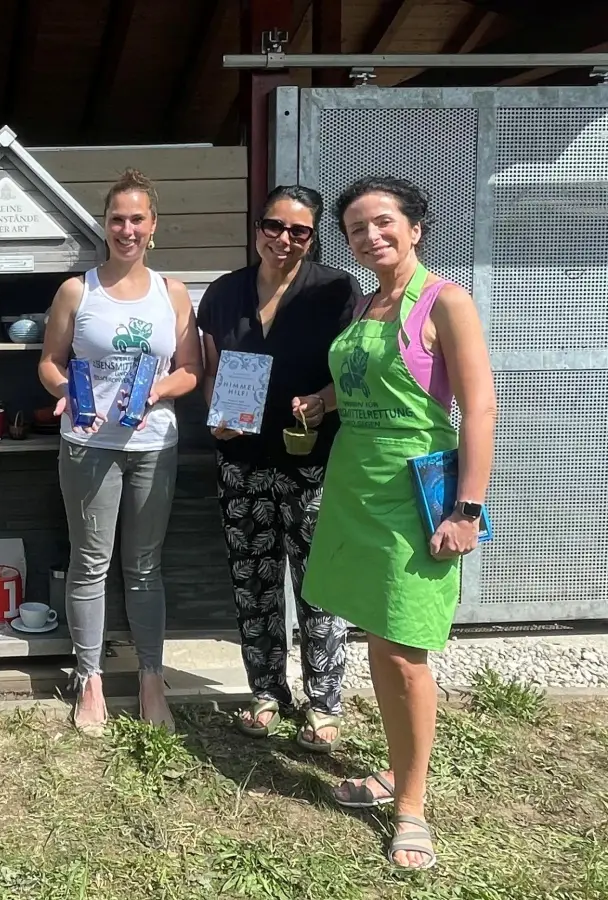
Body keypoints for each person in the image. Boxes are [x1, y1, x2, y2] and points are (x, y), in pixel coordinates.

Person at [304, 176, 496, 871]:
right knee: (380, 643)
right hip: (355, 487)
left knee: (405, 651)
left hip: (413, 496)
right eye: (356, 228)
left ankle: (410, 806)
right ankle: (397, 769)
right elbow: (364, 378)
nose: (370, 236)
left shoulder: (447, 302)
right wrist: (322, 401)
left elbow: (479, 408)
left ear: (415, 227)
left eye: (383, 222)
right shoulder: (365, 304)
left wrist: (466, 509)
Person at [197, 185, 363, 753]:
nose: (284, 239)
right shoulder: (225, 293)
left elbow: (353, 371)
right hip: (241, 463)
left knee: (320, 584)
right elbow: (212, 370)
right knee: (253, 581)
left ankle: (324, 701)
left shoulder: (336, 291)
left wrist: (322, 401)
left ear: (313, 239)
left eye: (299, 231)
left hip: (311, 461)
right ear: (257, 228)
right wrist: (216, 415)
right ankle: (267, 691)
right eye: (274, 226)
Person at [37, 168, 203, 733]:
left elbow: (191, 369)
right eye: (117, 219)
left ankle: (151, 677)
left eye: (137, 219)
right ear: (104, 225)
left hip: (154, 443)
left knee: (145, 566)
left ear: (153, 226)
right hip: (88, 444)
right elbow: (49, 362)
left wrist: (157, 390)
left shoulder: (171, 292)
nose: (126, 229)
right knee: (89, 563)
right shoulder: (77, 291)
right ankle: (90, 679)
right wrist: (66, 391)